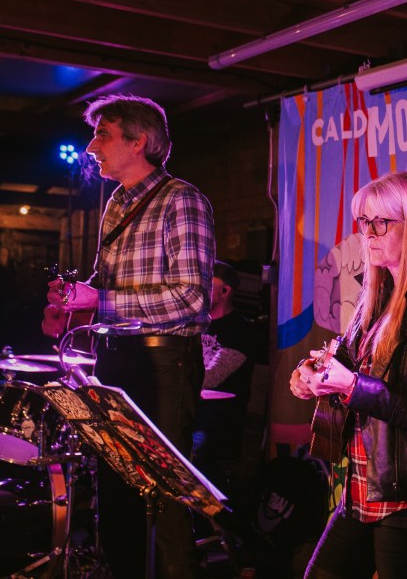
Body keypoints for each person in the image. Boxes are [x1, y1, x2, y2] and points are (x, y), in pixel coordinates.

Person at [43, 93, 215, 579]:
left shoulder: (182, 199)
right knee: (116, 490)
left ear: (139, 142)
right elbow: (108, 287)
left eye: (103, 134)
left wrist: (101, 301)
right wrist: (78, 298)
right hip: (117, 356)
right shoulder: (117, 201)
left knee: (163, 495)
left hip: (164, 362)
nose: (91, 146)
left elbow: (191, 299)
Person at [289, 171, 407, 579]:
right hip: (364, 488)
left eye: (381, 222)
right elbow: (343, 360)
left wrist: (351, 386)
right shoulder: (376, 294)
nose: (369, 234)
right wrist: (311, 373)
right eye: (364, 221)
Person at [192, 259, 258, 494]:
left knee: (195, 457)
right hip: (193, 410)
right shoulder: (195, 324)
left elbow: (213, 376)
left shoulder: (240, 330)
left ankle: (216, 511)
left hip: (218, 418)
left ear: (224, 291)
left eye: (207, 284)